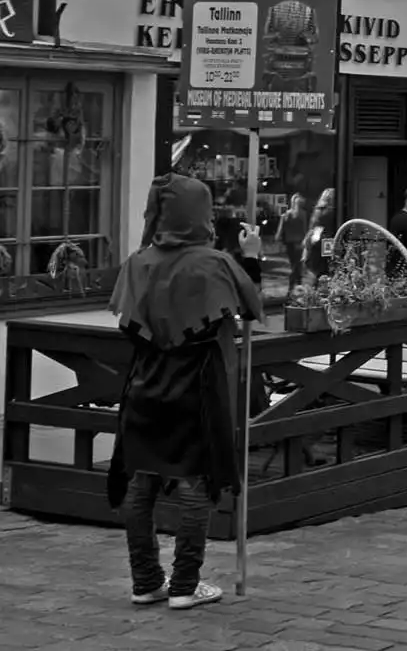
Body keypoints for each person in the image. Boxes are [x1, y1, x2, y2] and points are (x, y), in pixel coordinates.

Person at [108, 175, 267, 611]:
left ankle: (146, 580)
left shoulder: (137, 263)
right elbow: (251, 306)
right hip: (196, 387)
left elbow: (128, 323)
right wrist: (250, 258)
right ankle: (183, 584)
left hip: (144, 383)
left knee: (141, 478)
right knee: (195, 477)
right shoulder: (213, 263)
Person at [277, 193, 309, 294]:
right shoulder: (293, 215)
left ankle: (295, 287)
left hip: (293, 242)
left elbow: (280, 231)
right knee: (296, 265)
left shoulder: (288, 215)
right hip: (295, 242)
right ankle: (295, 286)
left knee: (295, 265)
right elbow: (304, 229)